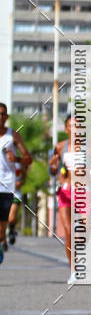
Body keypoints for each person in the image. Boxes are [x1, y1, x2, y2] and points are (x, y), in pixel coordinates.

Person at [0, 103, 32, 263]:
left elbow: (28, 159)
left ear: (7, 117)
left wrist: (16, 158)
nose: (0, 117)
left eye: (2, 114)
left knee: (5, 223)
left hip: (7, 186)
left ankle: (4, 237)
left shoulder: (13, 135)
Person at [49, 114, 76, 279]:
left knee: (84, 233)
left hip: (84, 191)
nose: (75, 129)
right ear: (66, 129)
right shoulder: (60, 147)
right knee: (69, 231)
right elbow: (53, 169)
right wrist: (53, 167)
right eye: (71, 126)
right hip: (65, 191)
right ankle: (74, 270)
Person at [7, 154, 27, 246]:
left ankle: (11, 230)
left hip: (16, 193)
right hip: (3, 191)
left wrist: (20, 182)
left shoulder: (18, 161)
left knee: (11, 218)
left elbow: (24, 175)